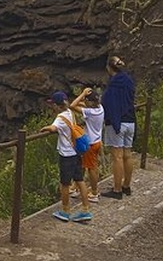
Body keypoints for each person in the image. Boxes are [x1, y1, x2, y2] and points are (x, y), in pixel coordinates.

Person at [40, 91, 93, 223]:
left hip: (67, 154)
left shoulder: (60, 117)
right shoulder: (70, 113)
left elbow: (53, 128)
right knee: (80, 180)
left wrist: (43, 129)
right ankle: (86, 209)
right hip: (76, 152)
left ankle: (65, 210)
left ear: (57, 105)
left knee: (65, 184)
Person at [100, 55, 136, 200]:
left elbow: (108, 102)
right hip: (130, 121)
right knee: (127, 154)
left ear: (109, 68)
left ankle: (117, 189)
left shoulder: (113, 84)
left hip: (117, 123)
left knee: (117, 156)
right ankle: (126, 185)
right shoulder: (128, 81)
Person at [70, 86, 104, 203]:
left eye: (86, 100)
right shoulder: (100, 108)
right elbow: (82, 105)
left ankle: (94, 192)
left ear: (90, 102)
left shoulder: (90, 112)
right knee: (84, 165)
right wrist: (85, 97)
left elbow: (72, 105)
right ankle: (76, 187)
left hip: (90, 143)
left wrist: (82, 94)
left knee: (91, 168)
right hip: (97, 141)